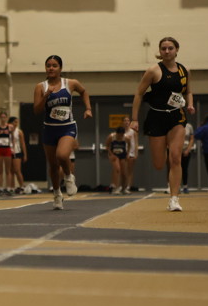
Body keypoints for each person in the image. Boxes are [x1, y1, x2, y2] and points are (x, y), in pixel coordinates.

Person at [130, 37, 194, 212]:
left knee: (176, 157)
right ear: (160, 51)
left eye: (170, 48)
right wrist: (134, 119)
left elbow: (188, 91)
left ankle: (174, 199)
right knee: (159, 164)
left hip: (177, 117)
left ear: (177, 50)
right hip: (156, 118)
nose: (167, 51)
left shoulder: (184, 70)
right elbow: (139, 94)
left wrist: (190, 104)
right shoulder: (153, 71)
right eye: (163, 48)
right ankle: (166, 149)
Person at [34, 55, 93, 210]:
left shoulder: (70, 83)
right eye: (48, 65)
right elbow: (37, 110)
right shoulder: (40, 87)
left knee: (62, 155)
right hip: (49, 128)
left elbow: (84, 92)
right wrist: (46, 96)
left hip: (67, 127)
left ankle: (68, 177)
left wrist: (88, 108)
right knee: (53, 166)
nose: (51, 68)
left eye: (54, 65)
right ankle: (57, 194)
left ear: (60, 68)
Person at [0, 111, 14, 196]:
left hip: (7, 149)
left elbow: (13, 138)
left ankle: (8, 188)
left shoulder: (10, 127)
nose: (3, 119)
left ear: (6, 118)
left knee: (8, 170)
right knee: (0, 170)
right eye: (2, 117)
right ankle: (0, 188)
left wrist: (13, 148)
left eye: (4, 117)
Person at [106, 126, 128, 195]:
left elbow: (130, 145)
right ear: (117, 133)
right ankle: (115, 187)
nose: (120, 136)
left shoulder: (126, 138)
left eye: (122, 135)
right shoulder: (111, 137)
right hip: (114, 155)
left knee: (124, 173)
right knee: (117, 169)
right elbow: (107, 146)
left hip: (123, 155)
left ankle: (124, 188)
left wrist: (128, 153)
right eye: (119, 135)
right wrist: (111, 154)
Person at [9, 116, 28, 194]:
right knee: (11, 171)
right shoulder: (7, 131)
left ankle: (22, 186)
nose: (16, 124)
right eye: (15, 122)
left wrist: (25, 154)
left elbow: (23, 144)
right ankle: (12, 187)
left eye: (17, 122)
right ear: (11, 122)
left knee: (17, 170)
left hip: (17, 151)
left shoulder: (19, 132)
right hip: (9, 152)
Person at [122, 116, 137, 194]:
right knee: (123, 170)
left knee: (130, 171)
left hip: (131, 152)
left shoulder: (133, 132)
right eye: (125, 120)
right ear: (123, 122)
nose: (126, 122)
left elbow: (136, 143)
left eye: (128, 120)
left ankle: (128, 186)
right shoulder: (121, 132)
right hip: (123, 153)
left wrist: (135, 153)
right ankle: (123, 186)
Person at [179, 121, 195, 193]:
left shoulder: (189, 126)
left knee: (184, 168)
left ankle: (185, 186)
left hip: (186, 149)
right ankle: (176, 187)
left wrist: (188, 149)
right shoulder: (174, 124)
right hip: (177, 149)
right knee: (176, 168)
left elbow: (191, 139)